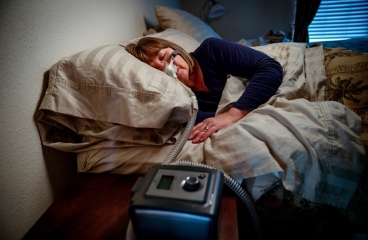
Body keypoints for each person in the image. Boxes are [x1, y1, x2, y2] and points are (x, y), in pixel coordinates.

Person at [125, 37, 283, 144]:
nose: (170, 68)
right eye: (159, 71)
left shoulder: (211, 50)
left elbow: (270, 68)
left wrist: (233, 115)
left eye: (164, 57)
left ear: (174, 49)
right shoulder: (178, 101)